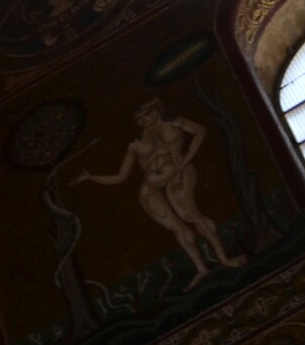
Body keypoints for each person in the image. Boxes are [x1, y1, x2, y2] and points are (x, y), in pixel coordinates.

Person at [75, 100, 245, 282]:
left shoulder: (174, 123)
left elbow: (200, 132)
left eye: (146, 114)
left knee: (191, 216)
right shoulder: (136, 143)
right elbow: (120, 176)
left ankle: (225, 259)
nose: (142, 120)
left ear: (156, 111)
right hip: (151, 187)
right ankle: (201, 269)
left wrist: (183, 165)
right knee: (178, 229)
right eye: (138, 118)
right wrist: (91, 177)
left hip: (178, 175)